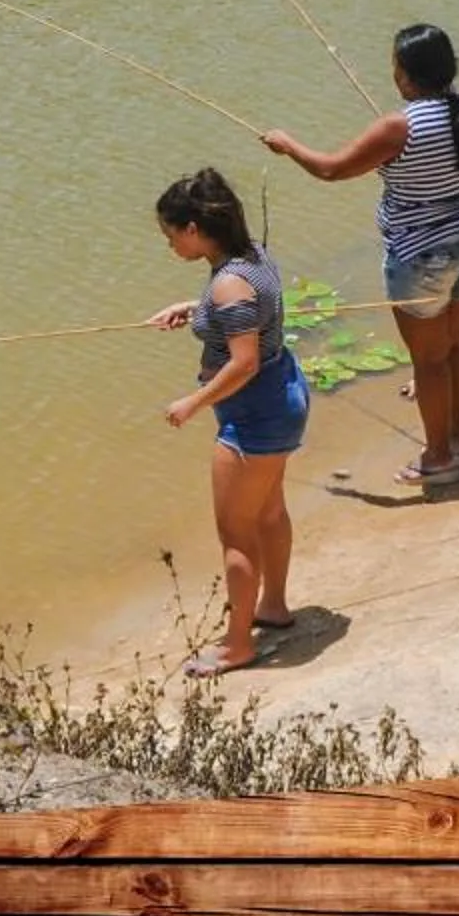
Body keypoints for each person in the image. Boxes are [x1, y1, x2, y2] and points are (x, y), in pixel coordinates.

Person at [261, 23, 459, 489]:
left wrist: (287, 144)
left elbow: (330, 171)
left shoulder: (398, 126)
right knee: (455, 340)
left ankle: (437, 458)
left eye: (395, 65)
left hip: (422, 254)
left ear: (406, 77)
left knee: (428, 359)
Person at [147, 168, 309, 678]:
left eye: (171, 235)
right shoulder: (251, 257)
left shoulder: (229, 285)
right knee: (268, 511)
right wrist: (194, 308)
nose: (170, 245)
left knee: (236, 534)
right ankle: (274, 606)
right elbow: (246, 312)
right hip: (283, 396)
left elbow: (243, 363)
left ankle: (239, 645)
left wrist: (193, 402)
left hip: (253, 411)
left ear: (194, 229)